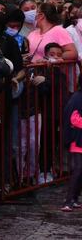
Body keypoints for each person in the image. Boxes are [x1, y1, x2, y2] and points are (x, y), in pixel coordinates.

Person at [61, 73, 82, 211]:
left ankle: (74, 199)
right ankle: (68, 201)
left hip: (79, 138)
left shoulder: (77, 97)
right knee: (78, 169)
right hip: (77, 140)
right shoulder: (77, 98)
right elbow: (74, 119)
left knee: (80, 170)